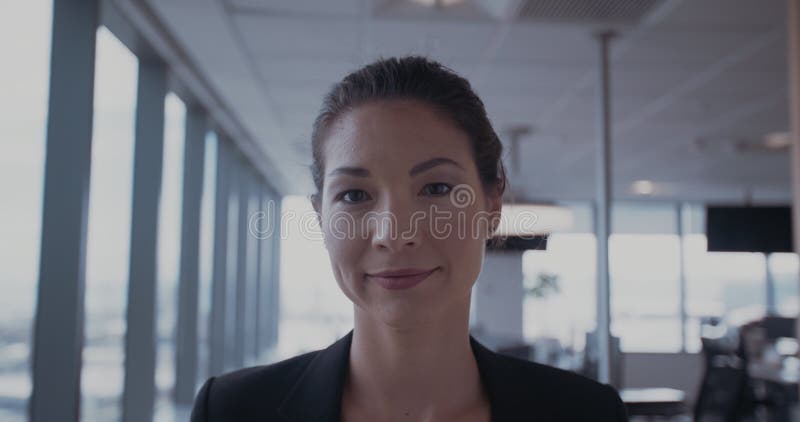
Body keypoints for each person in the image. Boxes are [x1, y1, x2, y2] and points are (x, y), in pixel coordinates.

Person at [190, 56, 628, 422]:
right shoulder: (234, 411)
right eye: (355, 194)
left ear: (492, 205)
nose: (394, 234)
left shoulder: (586, 413)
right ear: (321, 219)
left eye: (436, 189)